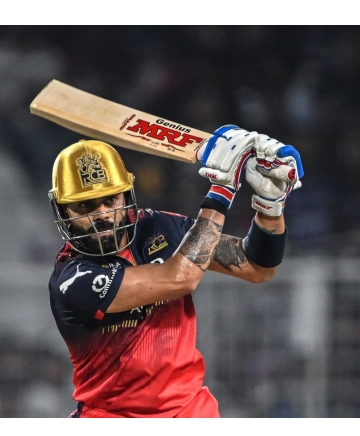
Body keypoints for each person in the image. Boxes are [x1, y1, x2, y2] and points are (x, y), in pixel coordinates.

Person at [47, 125, 304, 418]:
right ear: (64, 211)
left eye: (111, 200)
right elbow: (180, 277)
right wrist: (222, 187)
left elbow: (257, 267)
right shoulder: (72, 279)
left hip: (190, 414)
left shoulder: (159, 227)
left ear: (126, 194)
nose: (103, 215)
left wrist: (270, 206)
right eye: (85, 206)